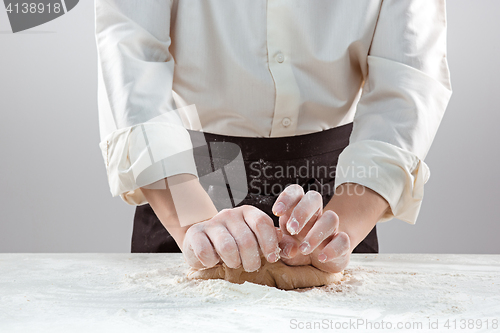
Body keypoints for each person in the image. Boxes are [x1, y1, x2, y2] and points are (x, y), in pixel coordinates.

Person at [94, 0, 452, 274]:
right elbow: (130, 47)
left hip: (337, 201)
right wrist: (192, 222)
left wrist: (338, 229)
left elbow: (407, 76)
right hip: (183, 181)